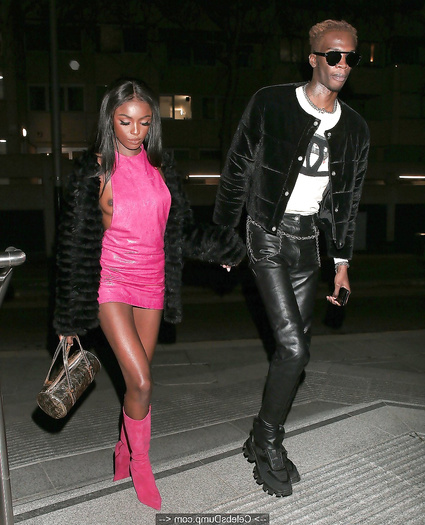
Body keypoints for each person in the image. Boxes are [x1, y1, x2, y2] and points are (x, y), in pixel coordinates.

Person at [53, 78, 245, 510]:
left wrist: (219, 250)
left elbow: (179, 230)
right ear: (110, 120)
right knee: (141, 380)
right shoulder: (94, 171)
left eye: (144, 122)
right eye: (125, 121)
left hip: (153, 283)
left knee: (134, 384)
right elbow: (73, 247)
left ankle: (123, 448)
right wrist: (68, 320)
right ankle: (141, 462)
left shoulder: (162, 167)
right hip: (111, 284)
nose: (135, 131)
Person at [214, 20, 369, 497]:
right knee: (294, 349)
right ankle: (267, 443)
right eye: (334, 55)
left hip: (308, 244)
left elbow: (347, 203)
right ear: (314, 58)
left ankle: (260, 435)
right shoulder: (271, 103)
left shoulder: (356, 129)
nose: (342, 64)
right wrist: (224, 234)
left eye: (351, 57)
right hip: (266, 233)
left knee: (296, 351)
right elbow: (237, 167)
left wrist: (341, 263)